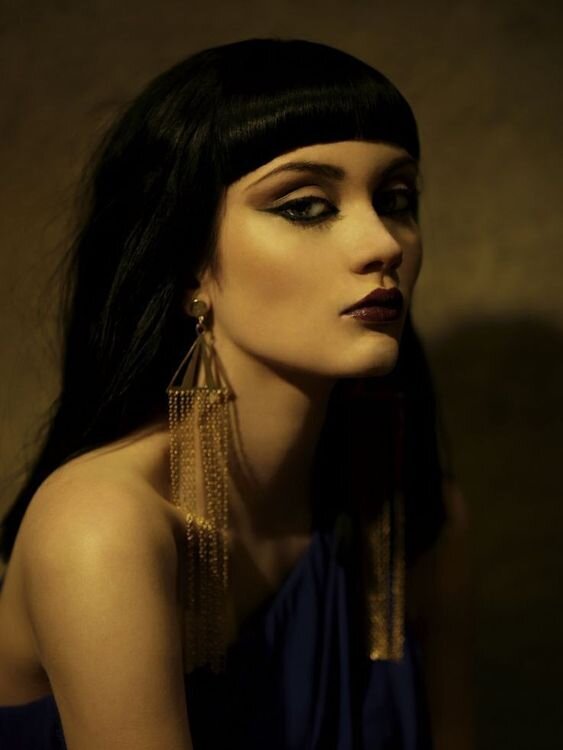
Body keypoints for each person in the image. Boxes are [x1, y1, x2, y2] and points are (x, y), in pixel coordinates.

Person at [0, 37, 474, 749]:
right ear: (188, 263)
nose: (383, 243)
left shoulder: (411, 515)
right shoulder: (101, 527)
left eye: (395, 199)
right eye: (307, 206)